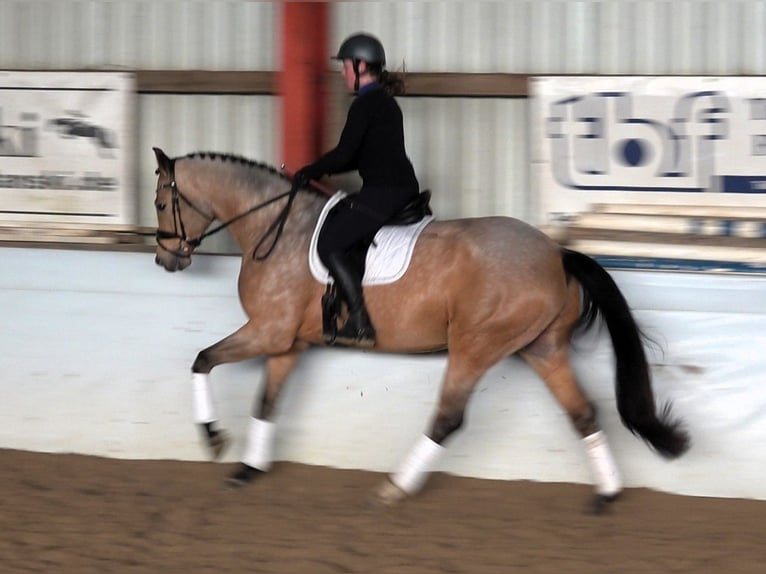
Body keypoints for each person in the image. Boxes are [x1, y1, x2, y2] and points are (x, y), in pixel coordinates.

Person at [294, 32, 420, 347]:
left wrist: (311, 169)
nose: (341, 72)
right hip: (395, 187)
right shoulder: (384, 103)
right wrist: (320, 170)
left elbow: (345, 154)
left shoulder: (366, 105)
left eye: (345, 65)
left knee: (329, 244)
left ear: (361, 66)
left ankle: (360, 321)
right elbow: (363, 157)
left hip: (386, 192)